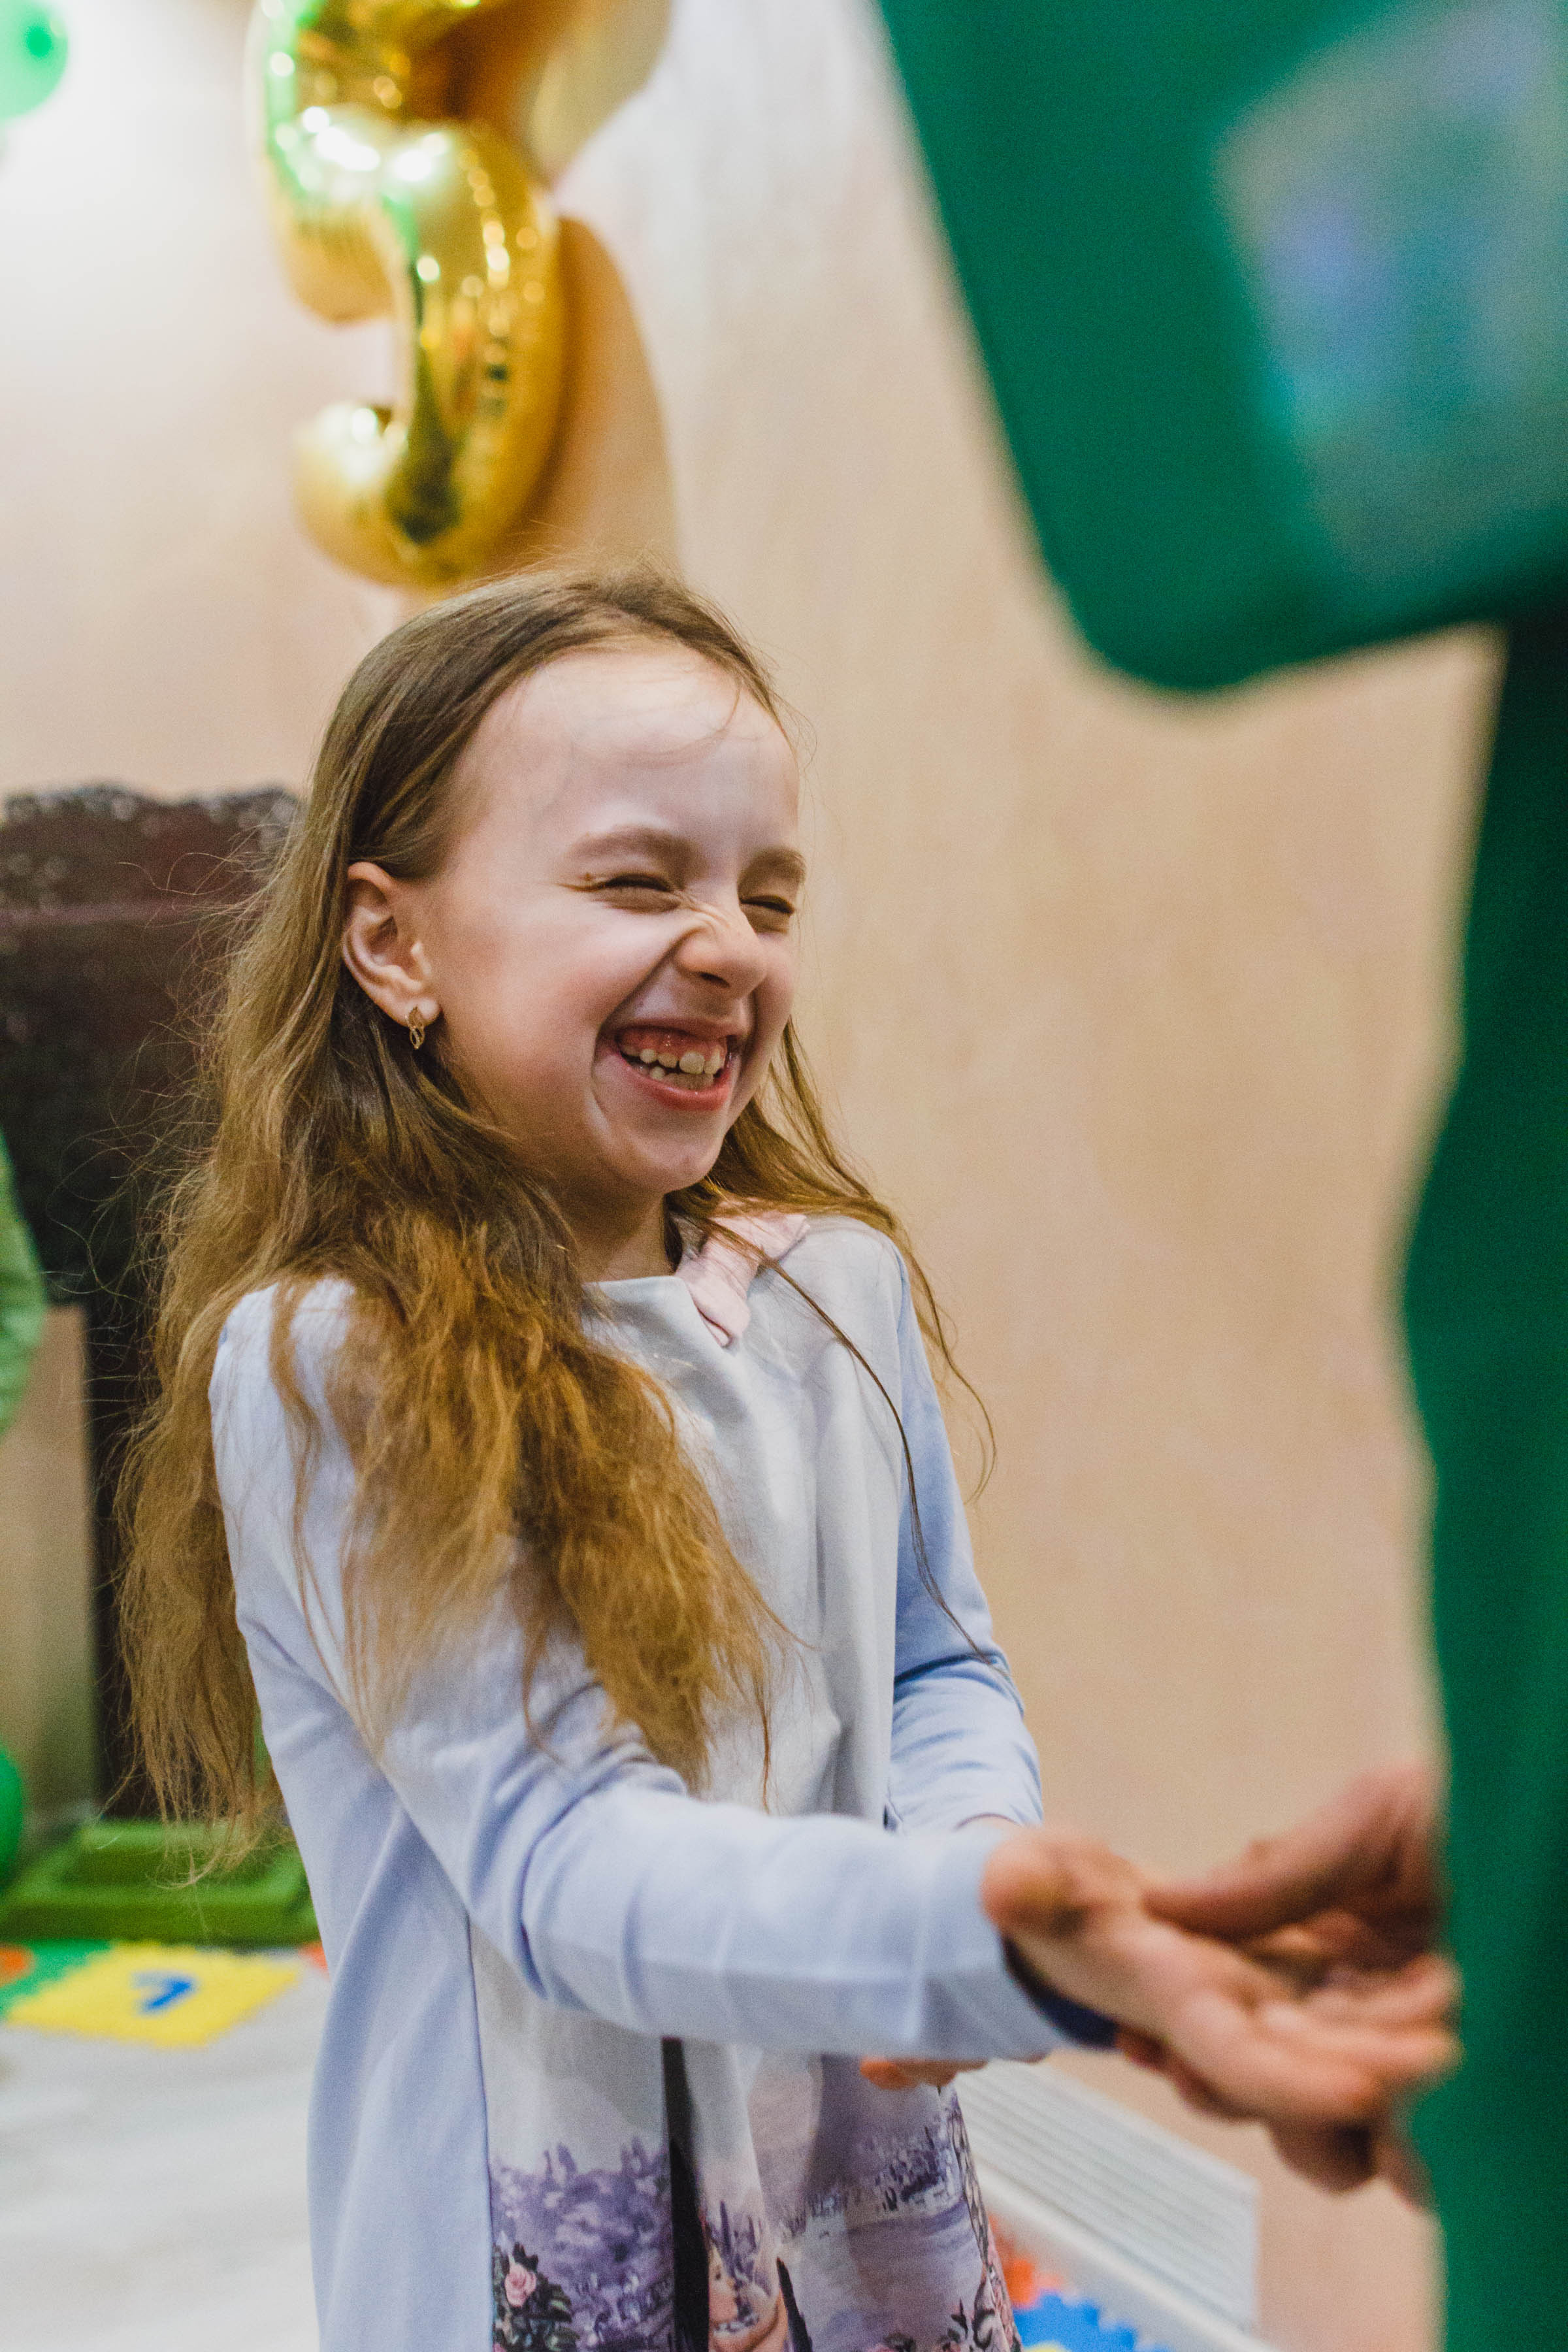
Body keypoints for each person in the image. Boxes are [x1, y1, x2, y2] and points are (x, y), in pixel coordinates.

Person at [120, 573, 1452, 2352]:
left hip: (851, 2207)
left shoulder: (835, 1295)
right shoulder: (335, 1357)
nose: (733, 944)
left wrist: (981, 1853)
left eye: (768, 894)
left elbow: (935, 1659)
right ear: (394, 945)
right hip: (524, 2256)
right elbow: (561, 1864)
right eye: (634, 880)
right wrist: (978, 1923)